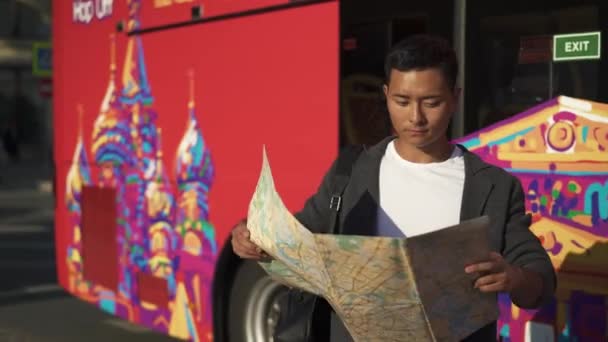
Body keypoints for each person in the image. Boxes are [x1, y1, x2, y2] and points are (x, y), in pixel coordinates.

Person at [231, 34, 556, 341]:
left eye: (431, 102)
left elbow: (538, 281)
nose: (415, 117)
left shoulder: (493, 187)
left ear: (455, 99)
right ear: (386, 95)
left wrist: (514, 277)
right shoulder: (351, 171)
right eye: (402, 101)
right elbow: (297, 237)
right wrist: (252, 236)